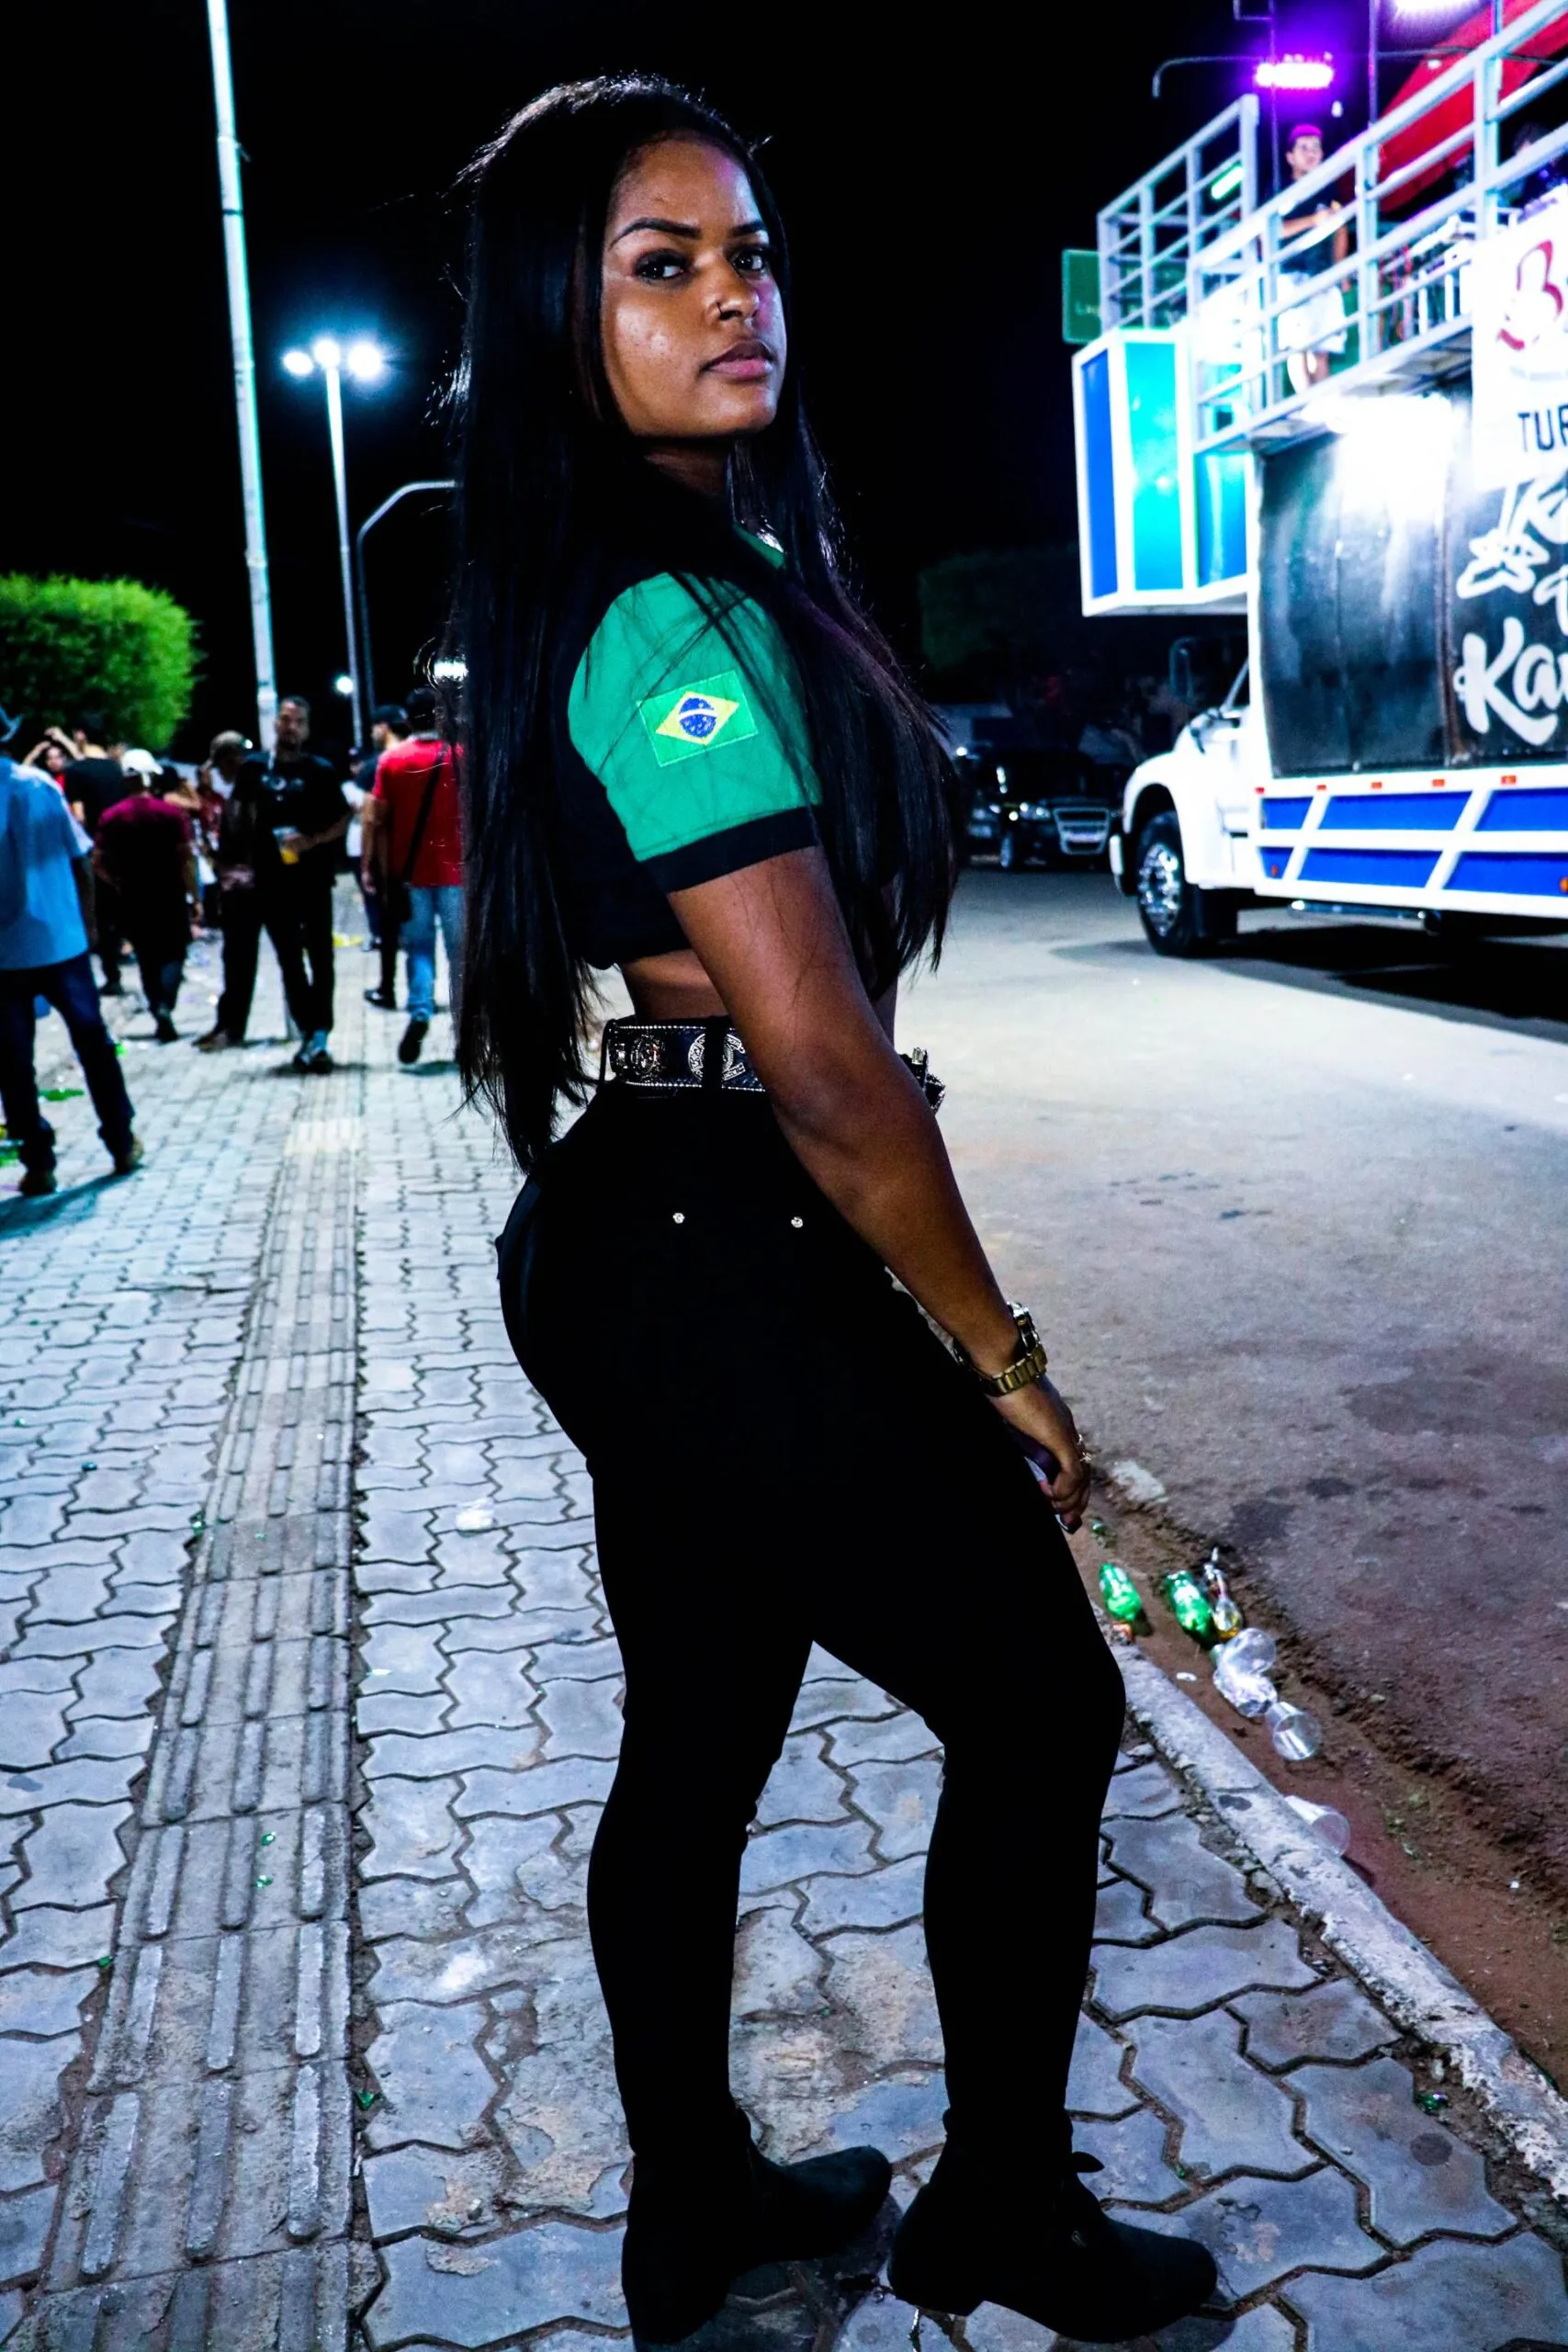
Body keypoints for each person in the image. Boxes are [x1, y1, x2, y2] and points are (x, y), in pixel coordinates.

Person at [457, 78, 1216, 2351]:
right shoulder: (664, 610)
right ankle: (1003, 2208)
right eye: (658, 264)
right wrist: (997, 1354)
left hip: (656, 1225)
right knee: (1042, 1703)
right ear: (553, 318)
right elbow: (825, 1067)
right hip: (716, 1234)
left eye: (750, 252)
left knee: (696, 1734)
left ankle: (694, 2207)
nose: (733, 299)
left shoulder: (679, 575)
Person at [0, 741, 141, 1195]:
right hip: (61, 939)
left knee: (13, 1061)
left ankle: (38, 1161)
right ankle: (120, 1140)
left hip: (7, 953)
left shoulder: (37, 785)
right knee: (93, 1042)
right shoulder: (40, 785)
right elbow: (79, 855)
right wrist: (89, 921)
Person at [231, 696, 349, 1071]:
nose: (290, 726)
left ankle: (320, 1034)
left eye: (298, 721)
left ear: (307, 728)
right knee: (289, 961)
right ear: (275, 724)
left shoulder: (320, 771)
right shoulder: (255, 769)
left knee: (321, 957)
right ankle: (309, 1032)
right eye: (285, 719)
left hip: (313, 879)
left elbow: (342, 818)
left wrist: (311, 840)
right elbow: (238, 815)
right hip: (271, 880)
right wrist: (239, 860)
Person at [366, 684, 463, 1065]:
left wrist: (371, 869)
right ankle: (465, 1030)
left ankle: (420, 1010)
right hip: (457, 873)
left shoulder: (391, 762)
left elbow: (376, 819)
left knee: (419, 949)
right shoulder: (462, 757)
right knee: (460, 955)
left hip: (409, 876)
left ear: (406, 720)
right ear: (442, 714)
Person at [93, 755, 199, 1041]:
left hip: (132, 895)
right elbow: (186, 857)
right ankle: (165, 1003)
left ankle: (156, 1006)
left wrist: (115, 881)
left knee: (146, 956)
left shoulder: (111, 816)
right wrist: (195, 896)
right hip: (170, 893)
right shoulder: (169, 813)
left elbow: (97, 861)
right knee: (175, 951)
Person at [1278, 124, 1349, 393]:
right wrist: (1313, 221)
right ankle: (1305, 401)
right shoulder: (1280, 190)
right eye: (1304, 148)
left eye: (1316, 148)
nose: (1311, 154)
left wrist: (1340, 270)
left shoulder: (1328, 190)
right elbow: (1273, 231)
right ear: (1290, 157)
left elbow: (1340, 229)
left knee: (1323, 347)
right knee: (1297, 346)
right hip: (1291, 273)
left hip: (1323, 274)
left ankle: (1320, 401)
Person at [62, 717, 130, 995]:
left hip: (94, 849)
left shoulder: (75, 771)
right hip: (123, 845)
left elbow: (78, 815)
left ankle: (112, 975)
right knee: (125, 905)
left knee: (101, 913)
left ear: (81, 735)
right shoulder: (117, 768)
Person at [355, 703, 408, 1008]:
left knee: (389, 928)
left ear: (383, 727)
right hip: (424, 858)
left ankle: (387, 988)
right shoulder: (421, 757)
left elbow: (369, 819)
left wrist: (366, 864)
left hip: (389, 861)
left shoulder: (377, 764)